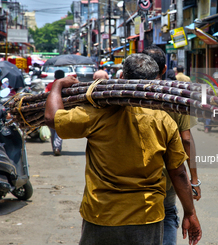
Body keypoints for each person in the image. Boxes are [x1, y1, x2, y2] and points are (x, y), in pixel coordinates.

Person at [44, 53, 202, 245]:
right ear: (155, 83)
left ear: (121, 78)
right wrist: (190, 212)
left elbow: (53, 118)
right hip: (147, 216)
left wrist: (58, 86)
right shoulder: (163, 120)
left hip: (102, 215)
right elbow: (178, 173)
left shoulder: (97, 112)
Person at [143, 45, 201, 245]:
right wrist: (194, 180)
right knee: (167, 213)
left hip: (134, 175)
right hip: (167, 175)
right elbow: (186, 139)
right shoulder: (174, 96)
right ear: (164, 68)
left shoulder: (121, 96)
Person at [45, 70, 65, 156]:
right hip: (61, 111)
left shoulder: (50, 85)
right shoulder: (65, 86)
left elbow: (44, 95)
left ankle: (54, 147)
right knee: (59, 130)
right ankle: (57, 147)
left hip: (50, 111)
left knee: (52, 129)